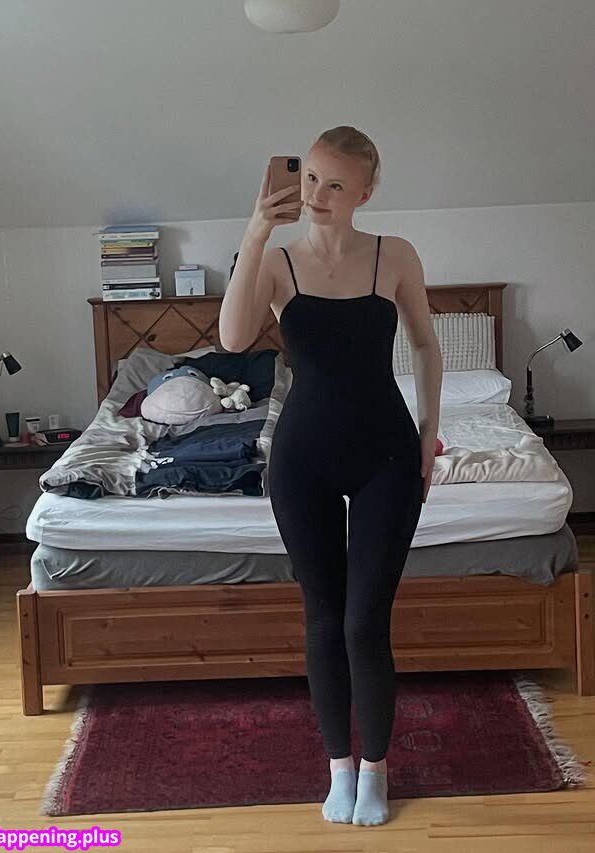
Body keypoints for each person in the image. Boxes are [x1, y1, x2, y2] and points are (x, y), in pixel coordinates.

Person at [219, 126, 443, 826]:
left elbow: (425, 342)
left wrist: (430, 431)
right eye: (310, 178)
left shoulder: (394, 255)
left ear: (364, 193)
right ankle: (338, 768)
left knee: (364, 620)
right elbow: (233, 337)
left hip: (386, 457)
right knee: (321, 616)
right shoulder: (277, 262)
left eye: (335, 184)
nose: (316, 194)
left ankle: (375, 770)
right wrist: (256, 230)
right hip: (303, 460)